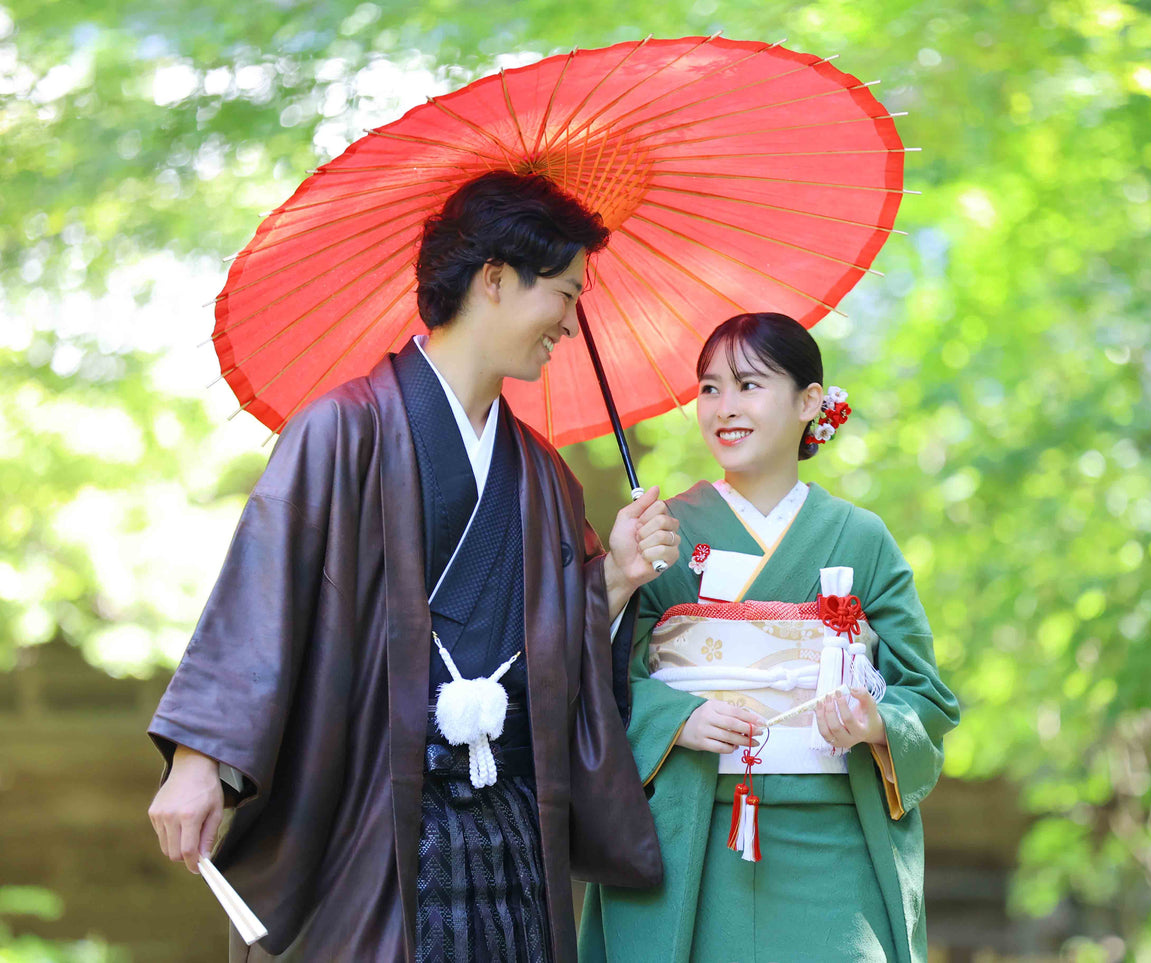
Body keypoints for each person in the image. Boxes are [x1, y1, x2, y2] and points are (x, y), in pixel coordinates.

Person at [147, 171, 678, 963]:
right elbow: (264, 595)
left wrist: (617, 577)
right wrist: (198, 762)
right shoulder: (342, 431)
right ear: (493, 279)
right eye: (563, 294)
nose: (569, 323)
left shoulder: (541, 474)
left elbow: (549, 641)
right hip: (370, 809)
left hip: (508, 826)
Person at [578, 312, 960, 963]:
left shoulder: (860, 538)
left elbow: (925, 694)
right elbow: (598, 679)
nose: (723, 407)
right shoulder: (662, 535)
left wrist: (873, 720)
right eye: (708, 388)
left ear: (809, 400)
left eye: (748, 385)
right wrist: (678, 717)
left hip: (832, 838)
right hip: (688, 835)